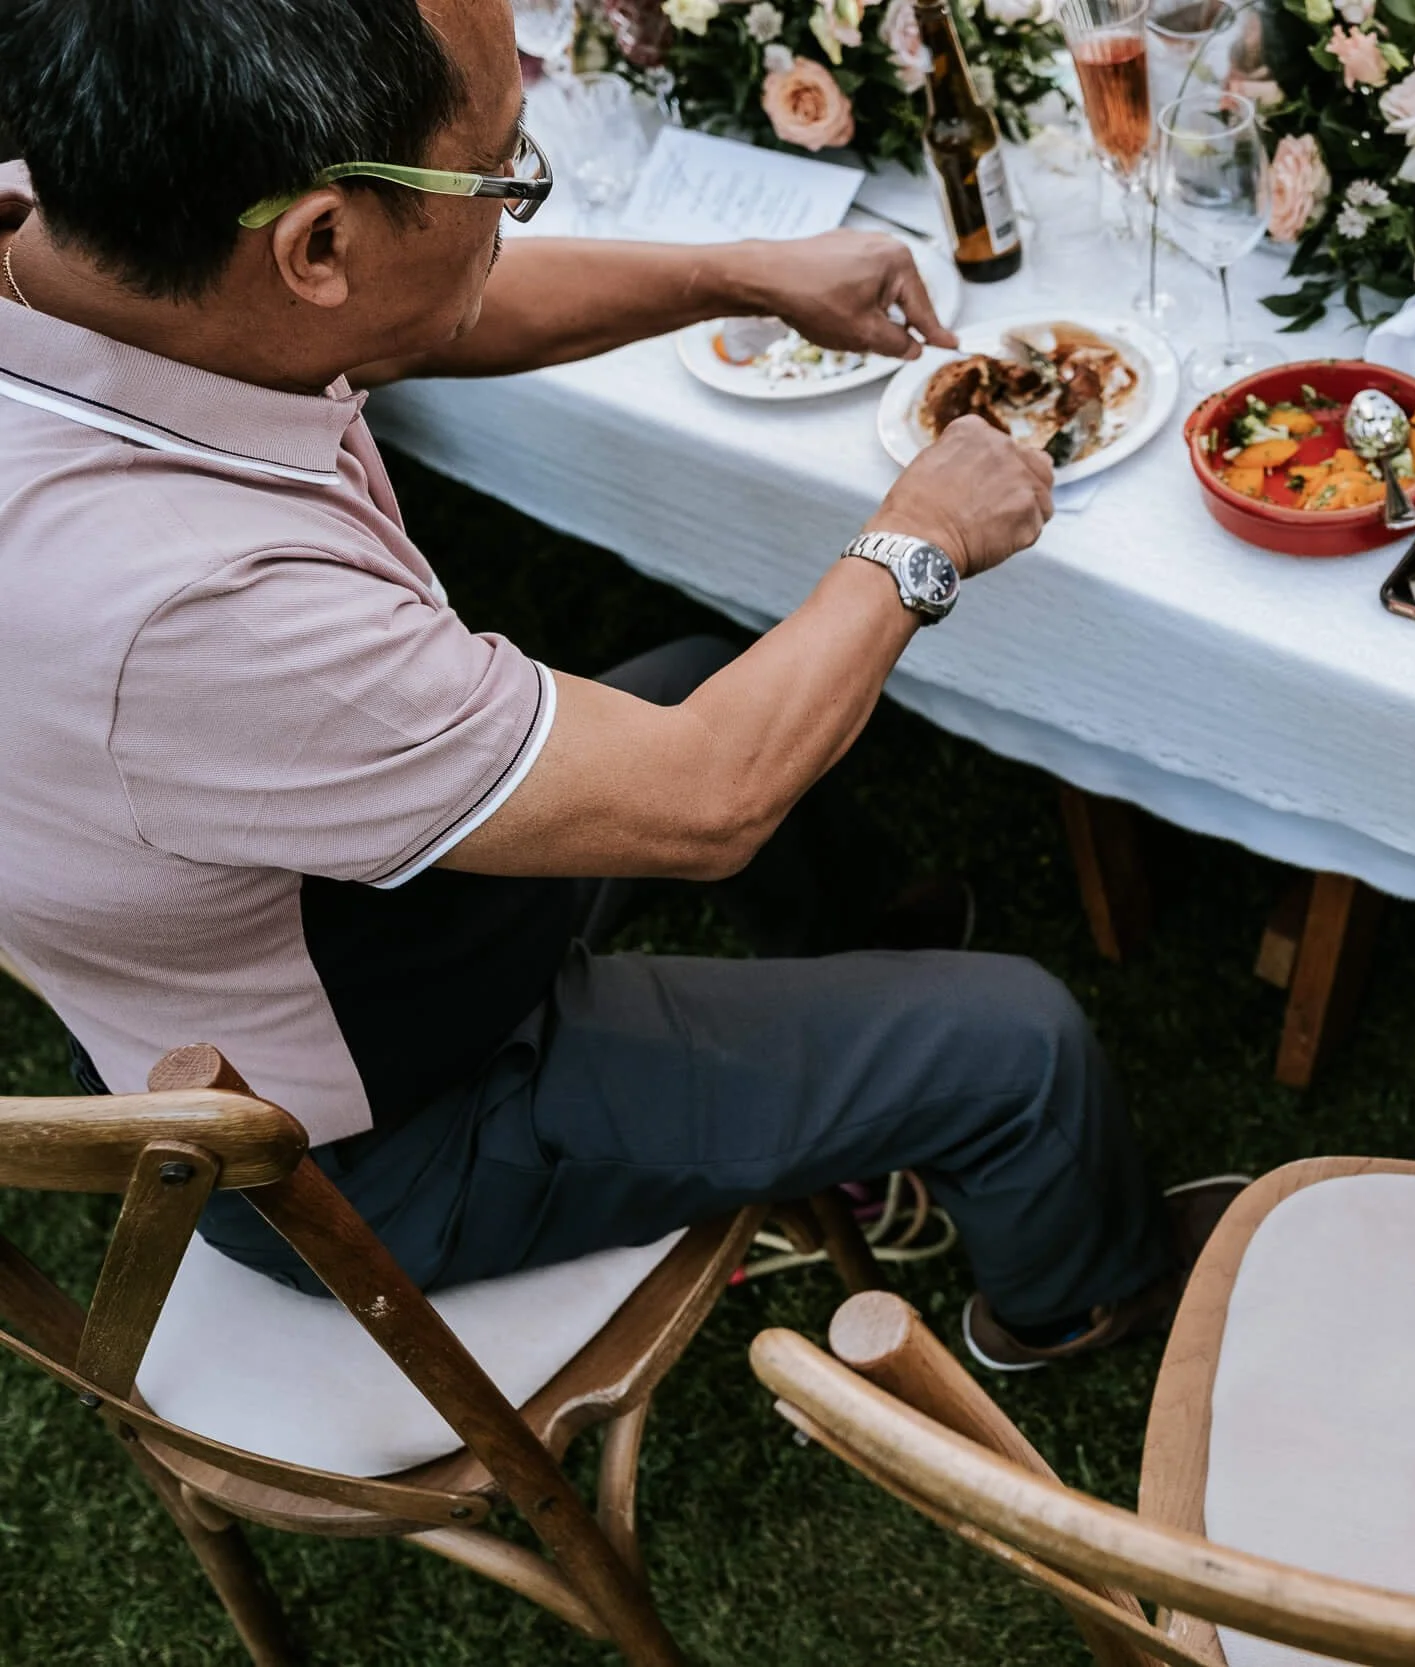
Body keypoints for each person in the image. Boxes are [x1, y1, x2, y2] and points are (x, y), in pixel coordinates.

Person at [0, 0, 1233, 1371]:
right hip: (388, 1124)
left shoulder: (68, 236)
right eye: (502, 173)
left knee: (716, 669)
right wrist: (925, 538)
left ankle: (864, 988)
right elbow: (711, 797)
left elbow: (410, 310)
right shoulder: (197, 620)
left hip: (326, 927)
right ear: (321, 242)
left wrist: (738, 273)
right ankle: (1080, 1296)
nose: (510, 212)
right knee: (1020, 1048)